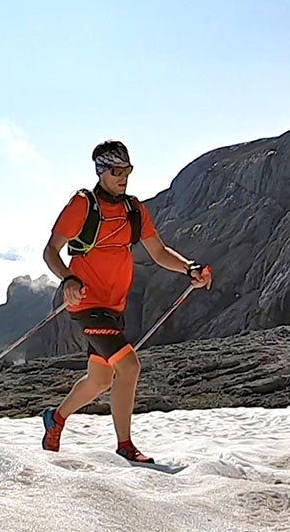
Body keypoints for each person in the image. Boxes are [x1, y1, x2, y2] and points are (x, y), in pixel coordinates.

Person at [40, 140, 212, 463]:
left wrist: (189, 268)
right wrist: (68, 279)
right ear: (100, 171)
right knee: (129, 366)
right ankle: (125, 446)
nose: (123, 178)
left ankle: (56, 418)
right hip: (87, 305)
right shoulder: (83, 205)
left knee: (100, 380)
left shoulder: (134, 210)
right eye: (116, 172)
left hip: (115, 307)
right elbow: (51, 251)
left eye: (127, 170)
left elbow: (158, 252)